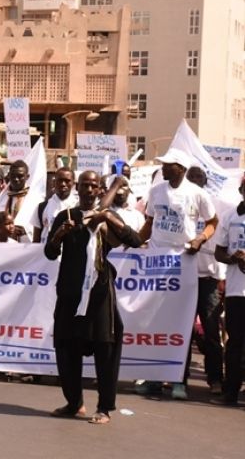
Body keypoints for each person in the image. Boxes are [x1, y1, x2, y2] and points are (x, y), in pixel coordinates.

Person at [44, 172, 143, 424]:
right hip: (70, 292)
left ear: (100, 190)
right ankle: (74, 403)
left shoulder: (106, 218)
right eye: (84, 185)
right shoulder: (65, 217)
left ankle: (104, 407)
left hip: (99, 295)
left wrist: (108, 217)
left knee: (105, 349)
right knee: (66, 348)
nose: (88, 189)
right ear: (78, 188)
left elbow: (135, 239)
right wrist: (58, 236)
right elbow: (49, 252)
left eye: (93, 186)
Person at [136, 148, 217, 400]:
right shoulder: (156, 191)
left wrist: (200, 239)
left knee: (180, 324)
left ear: (180, 168)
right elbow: (149, 224)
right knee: (157, 322)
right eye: (163, 164)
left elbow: (213, 221)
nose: (163, 167)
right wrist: (134, 245)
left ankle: (179, 380)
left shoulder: (197, 194)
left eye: (169, 164)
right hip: (157, 264)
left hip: (183, 265)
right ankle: (153, 378)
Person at [183, 166, 224, 395]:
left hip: (208, 279)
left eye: (199, 178)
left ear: (206, 181)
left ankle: (215, 378)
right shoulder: (181, 205)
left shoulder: (214, 207)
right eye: (192, 178)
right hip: (185, 278)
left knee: (210, 331)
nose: (196, 181)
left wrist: (222, 277)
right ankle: (179, 377)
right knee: (183, 331)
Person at [213, 176, 245, 406]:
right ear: (241, 189)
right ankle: (231, 390)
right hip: (236, 291)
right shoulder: (230, 216)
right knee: (235, 342)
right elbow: (219, 252)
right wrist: (233, 259)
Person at [31, 167, 77, 243]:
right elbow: (36, 239)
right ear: (54, 182)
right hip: (45, 252)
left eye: (67, 181)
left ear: (73, 183)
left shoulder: (77, 206)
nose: (63, 184)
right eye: (60, 180)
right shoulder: (42, 207)